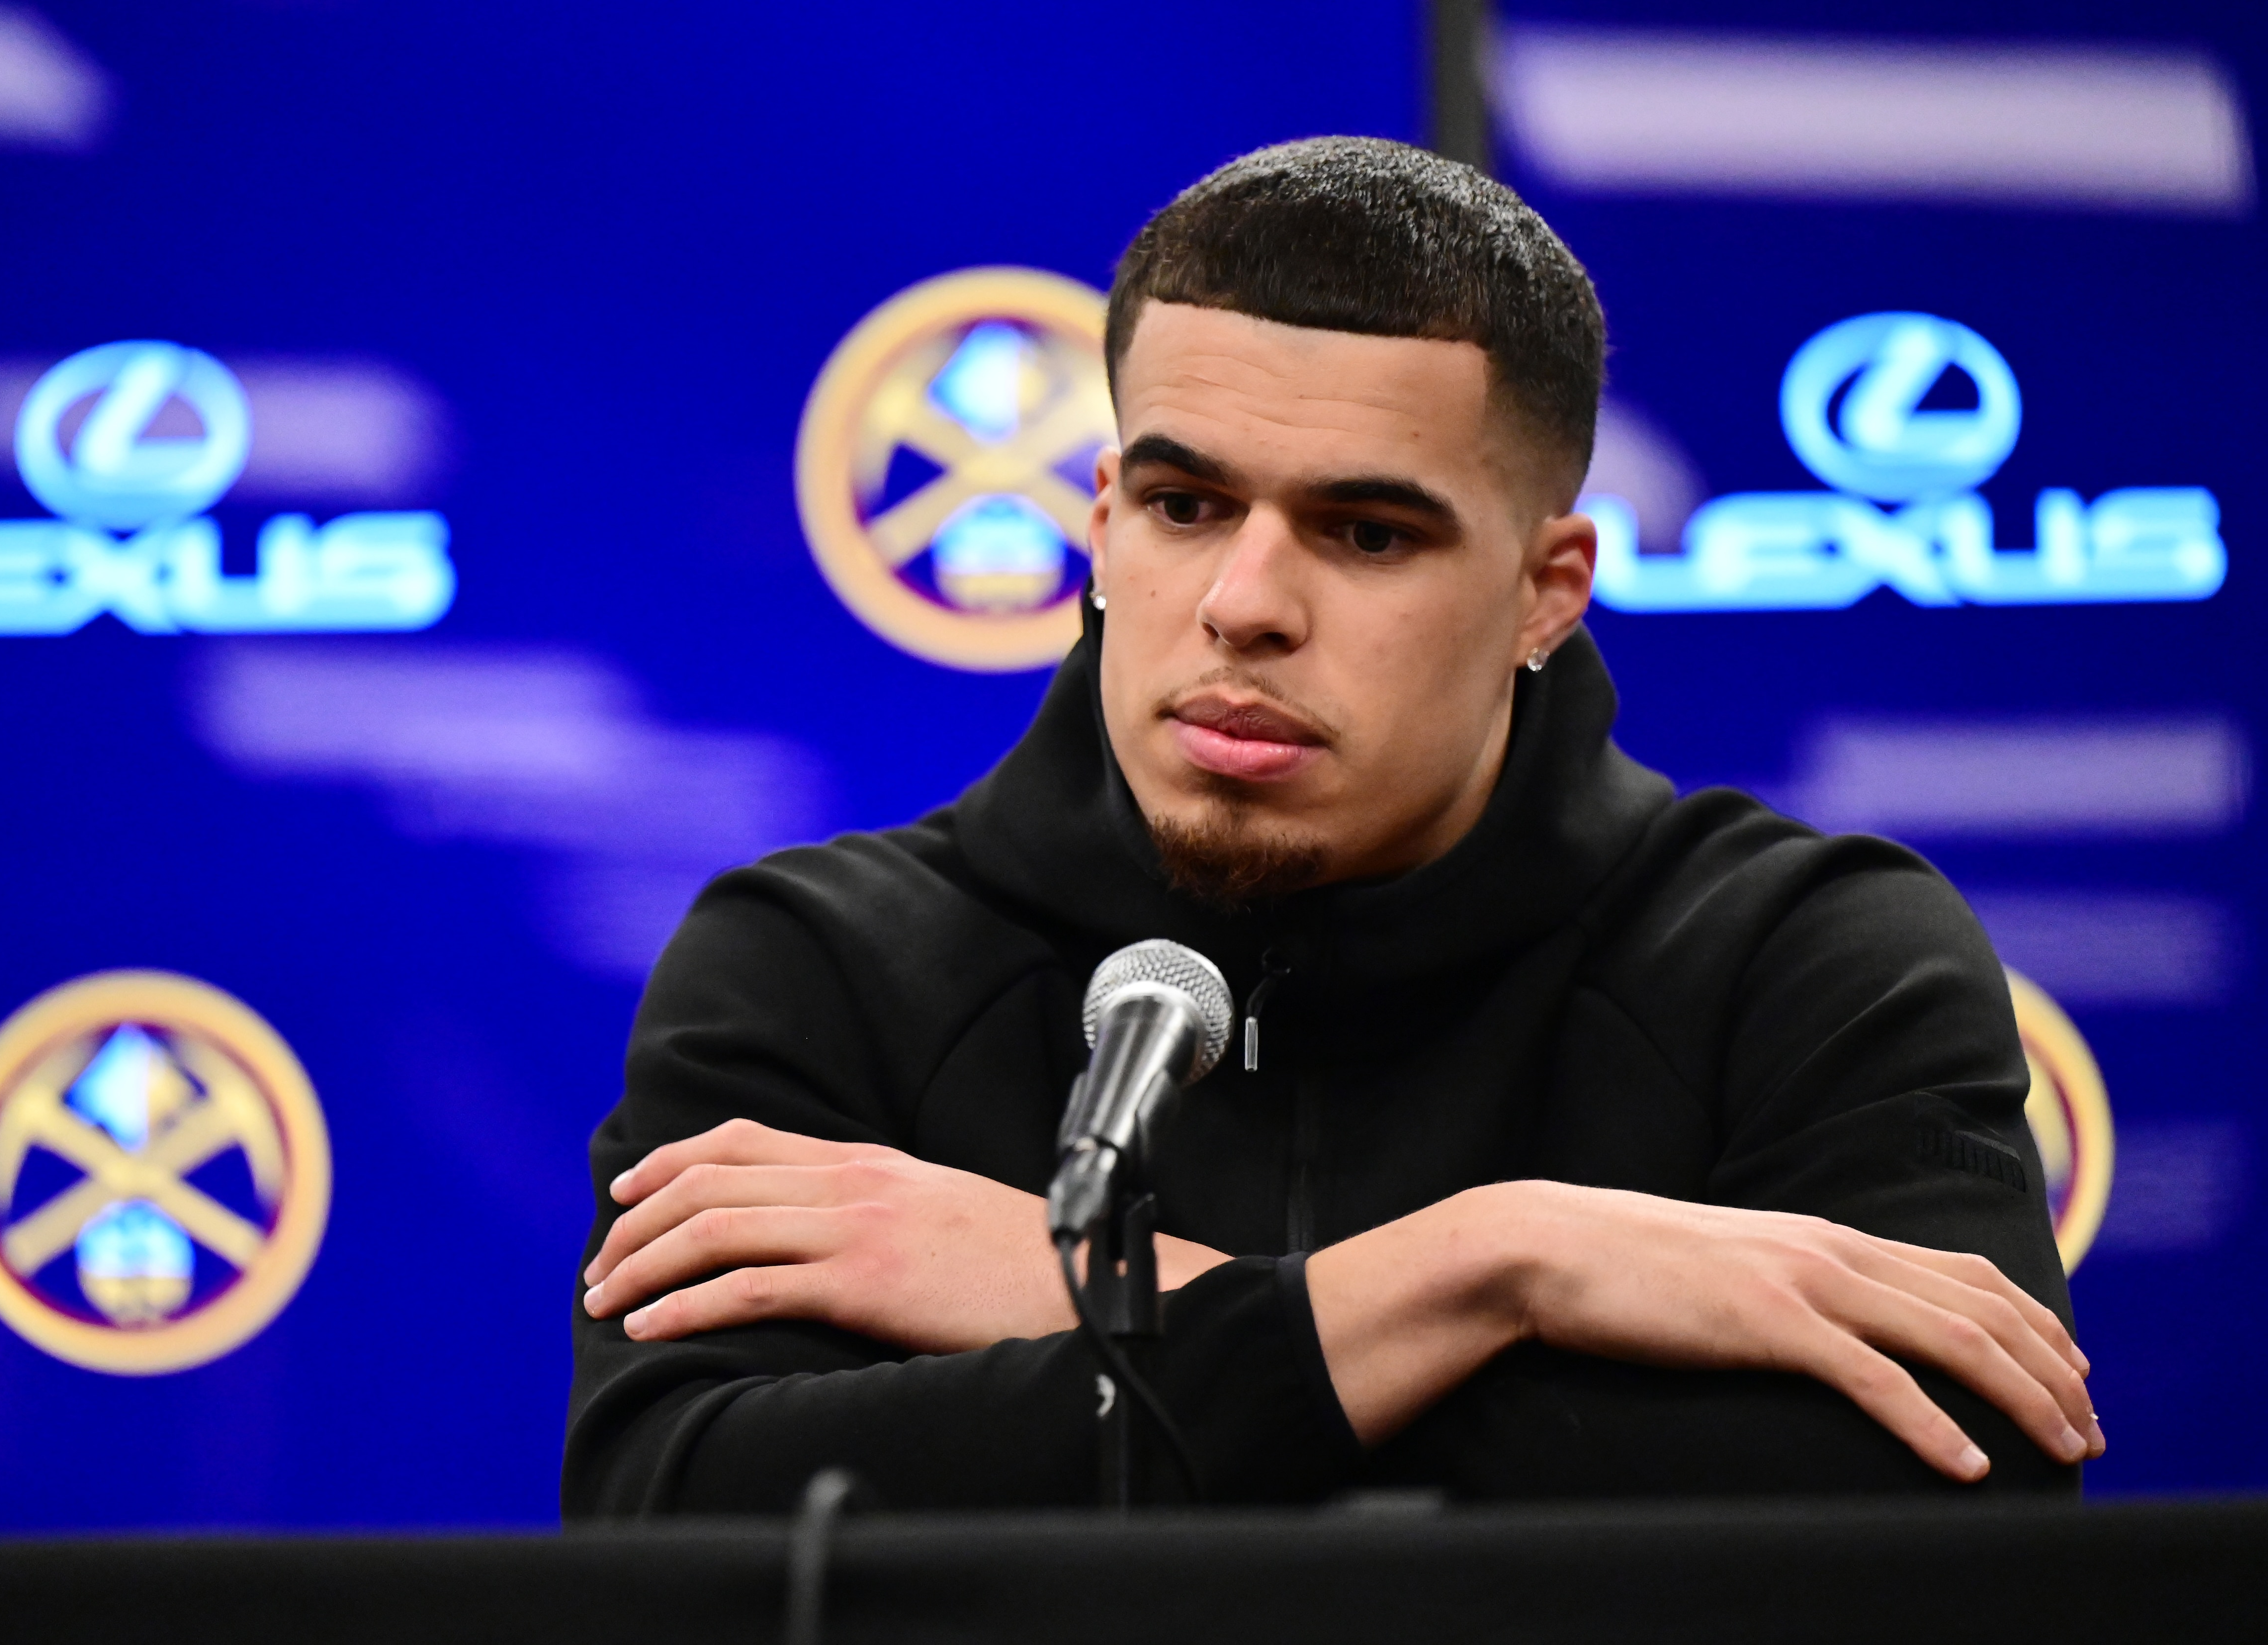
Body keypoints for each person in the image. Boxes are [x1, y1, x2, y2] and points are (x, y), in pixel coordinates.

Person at [563, 137, 2097, 1515]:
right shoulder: (819, 965)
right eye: (1185, 507)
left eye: (1368, 534)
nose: (1244, 606)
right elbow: (673, 1509)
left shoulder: (1802, 955)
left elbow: (1970, 1485)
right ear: (1099, 522)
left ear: (1547, 591)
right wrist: (1494, 1275)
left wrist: (1105, 1300)